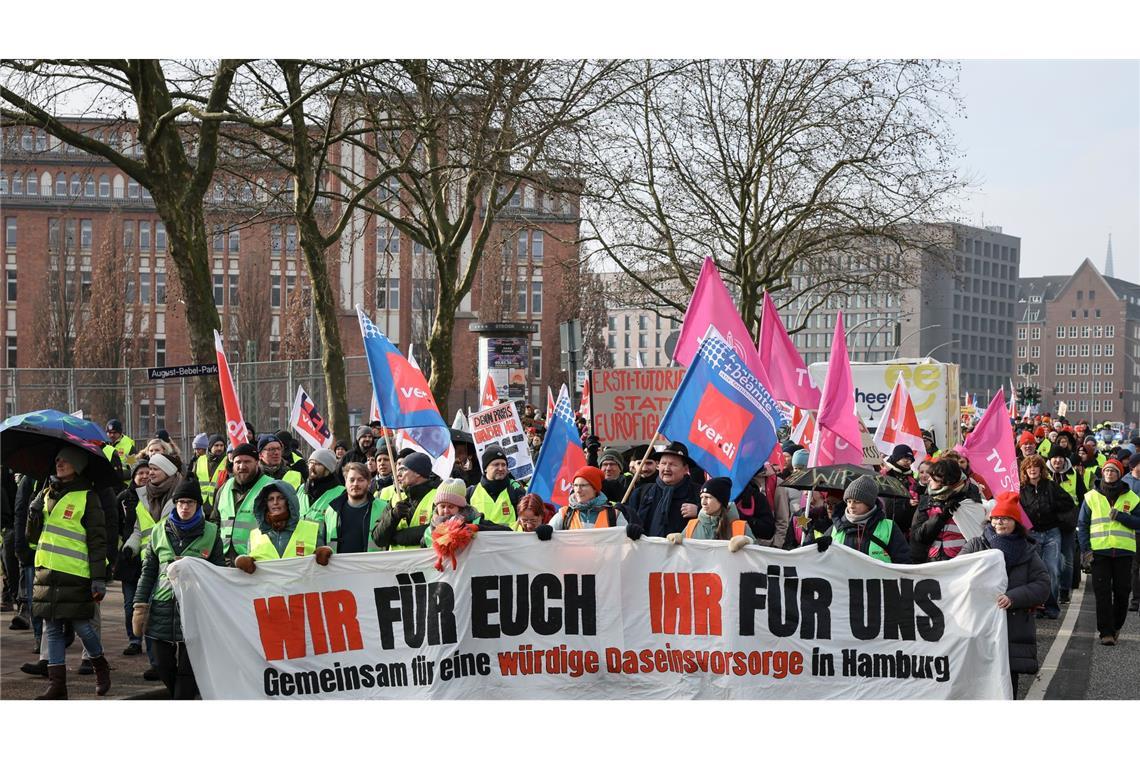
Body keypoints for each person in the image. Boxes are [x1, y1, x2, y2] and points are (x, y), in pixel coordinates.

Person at [25, 447, 110, 699]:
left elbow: (97, 541)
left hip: (75, 573)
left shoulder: (88, 497)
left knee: (82, 626)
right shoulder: (45, 493)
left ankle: (100, 665)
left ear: (78, 465)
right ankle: (57, 686)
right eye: (57, 459)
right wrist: (33, 514)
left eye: (66, 460)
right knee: (52, 629)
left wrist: (98, 578)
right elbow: (32, 537)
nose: (59, 463)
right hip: (46, 572)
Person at [131, 479, 223, 699]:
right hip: (162, 607)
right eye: (180, 502)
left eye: (190, 502)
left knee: (187, 671)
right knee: (162, 665)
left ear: (198, 505)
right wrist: (139, 605)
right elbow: (148, 572)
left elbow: (218, 573)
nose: (184, 507)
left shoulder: (211, 533)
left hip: (195, 609)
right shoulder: (158, 531)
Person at [961, 492, 1050, 697]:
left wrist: (1013, 597)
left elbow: (1043, 585)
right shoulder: (975, 545)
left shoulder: (1027, 551)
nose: (1000, 522)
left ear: (1015, 523)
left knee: (1007, 684)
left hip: (1012, 627)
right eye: (996, 518)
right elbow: (957, 573)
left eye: (1006, 518)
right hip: (979, 626)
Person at [1077, 458, 1140, 645]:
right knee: (1102, 593)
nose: (1109, 473)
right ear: (1103, 473)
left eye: (1113, 471)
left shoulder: (1132, 498)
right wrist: (1086, 550)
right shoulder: (1091, 497)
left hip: (1124, 552)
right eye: (1106, 470)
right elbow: (1082, 524)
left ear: (1119, 475)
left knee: (1122, 592)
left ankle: (1116, 626)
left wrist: (1121, 517)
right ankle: (1105, 632)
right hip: (1100, 552)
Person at [233, 481, 331, 572]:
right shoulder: (254, 535)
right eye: (271, 499)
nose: (275, 502)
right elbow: (251, 565)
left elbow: (322, 567)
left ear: (289, 501)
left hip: (302, 584)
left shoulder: (311, 529)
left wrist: (322, 552)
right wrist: (245, 561)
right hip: (268, 585)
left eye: (280, 498)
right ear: (265, 504)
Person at [1018, 454, 1071, 618]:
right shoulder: (1020, 490)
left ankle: (1051, 606)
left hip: (1051, 533)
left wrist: (1054, 508)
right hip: (1031, 534)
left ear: (1041, 470)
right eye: (1029, 467)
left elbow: (1068, 503)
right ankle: (1037, 606)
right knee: (1034, 571)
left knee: (1052, 569)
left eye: (1035, 466)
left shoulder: (1051, 486)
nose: (1032, 469)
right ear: (1024, 471)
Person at [816, 475, 910, 563]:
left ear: (869, 504)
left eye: (856, 502)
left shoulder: (889, 527)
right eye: (849, 501)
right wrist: (820, 546)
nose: (851, 506)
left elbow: (904, 562)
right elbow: (818, 558)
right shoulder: (836, 526)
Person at [910, 458, 983, 563]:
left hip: (963, 562)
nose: (929, 479)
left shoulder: (970, 499)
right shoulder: (927, 500)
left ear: (945, 482)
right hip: (933, 561)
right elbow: (918, 536)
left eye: (933, 478)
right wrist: (941, 517)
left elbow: (978, 536)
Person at [113, 461, 150, 657]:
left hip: (149, 558)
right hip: (128, 558)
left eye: (147, 472)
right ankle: (134, 640)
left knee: (148, 605)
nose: (144, 476)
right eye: (140, 473)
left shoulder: (156, 497)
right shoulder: (123, 498)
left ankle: (152, 642)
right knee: (130, 605)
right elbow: (116, 525)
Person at [215, 443, 275, 565]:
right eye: (238, 462)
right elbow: (215, 520)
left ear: (257, 462)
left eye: (247, 461)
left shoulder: (271, 487)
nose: (242, 466)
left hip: (256, 560)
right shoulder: (224, 488)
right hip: (224, 559)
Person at [624, 442, 700, 537]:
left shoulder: (699, 494)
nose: (667, 468)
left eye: (673, 464)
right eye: (663, 463)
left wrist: (700, 512)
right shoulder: (641, 493)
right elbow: (629, 520)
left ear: (685, 469)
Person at [371, 452, 441, 550]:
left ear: (418, 473)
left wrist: (396, 537)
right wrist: (393, 516)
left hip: (423, 559)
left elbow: (437, 529)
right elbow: (378, 538)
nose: (398, 474)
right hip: (395, 560)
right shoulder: (395, 498)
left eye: (403, 470)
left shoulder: (438, 497)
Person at [666, 476, 754, 552]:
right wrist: (679, 538)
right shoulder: (692, 525)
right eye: (701, 497)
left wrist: (749, 541)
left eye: (708, 497)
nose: (703, 502)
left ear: (721, 500)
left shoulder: (740, 527)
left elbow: (757, 557)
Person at [322, 463, 386, 553]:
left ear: (368, 482)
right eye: (352, 480)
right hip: (338, 562)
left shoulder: (383, 508)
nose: (355, 484)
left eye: (360, 480)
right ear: (345, 481)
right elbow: (324, 541)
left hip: (372, 561)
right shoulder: (331, 510)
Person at [542, 466, 629, 532]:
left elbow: (626, 541)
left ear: (595, 489)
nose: (578, 490)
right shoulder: (565, 514)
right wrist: (544, 531)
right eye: (575, 485)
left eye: (583, 485)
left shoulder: (614, 514)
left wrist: (632, 533)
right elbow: (549, 534)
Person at [467, 447, 527, 529]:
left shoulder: (516, 490)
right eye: (496, 465)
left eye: (504, 465)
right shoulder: (470, 493)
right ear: (485, 468)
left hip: (511, 537)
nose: (501, 468)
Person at [880, 444, 920, 537]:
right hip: (886, 522)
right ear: (897, 457)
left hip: (906, 526)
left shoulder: (911, 479)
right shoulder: (884, 474)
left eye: (910, 459)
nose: (908, 461)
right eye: (905, 458)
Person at [298, 448, 345, 522]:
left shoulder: (341, 493)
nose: (311, 467)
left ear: (328, 469)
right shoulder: (301, 489)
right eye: (310, 462)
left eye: (318, 464)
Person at [192, 434, 228, 512]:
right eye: (216, 445)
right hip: (201, 504)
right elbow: (193, 480)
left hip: (219, 503)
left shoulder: (227, 461)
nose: (219, 448)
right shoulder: (200, 460)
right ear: (210, 447)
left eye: (221, 445)